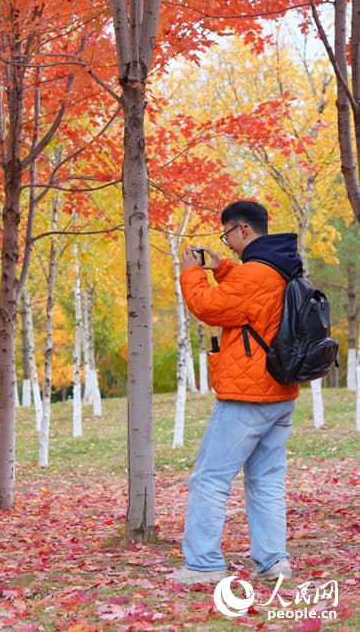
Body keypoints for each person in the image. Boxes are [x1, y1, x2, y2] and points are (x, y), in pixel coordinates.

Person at [170, 199, 301, 585]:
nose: (227, 243)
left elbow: (208, 306)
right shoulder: (282, 266)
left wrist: (192, 273)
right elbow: (250, 300)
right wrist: (223, 268)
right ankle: (273, 562)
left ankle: (203, 565)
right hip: (279, 392)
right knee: (266, 479)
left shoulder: (256, 274)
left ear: (242, 229)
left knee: (210, 478)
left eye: (227, 235)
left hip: (248, 395)